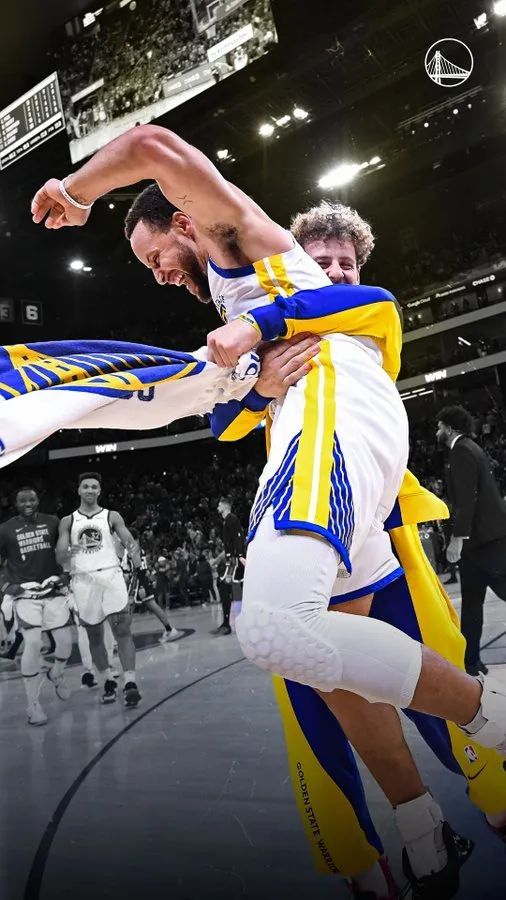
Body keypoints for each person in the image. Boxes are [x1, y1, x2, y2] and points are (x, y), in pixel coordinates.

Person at [31, 124, 506, 773]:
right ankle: (420, 820)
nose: (160, 276)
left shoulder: (234, 238)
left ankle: (489, 714)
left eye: (156, 257)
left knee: (272, 628)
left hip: (333, 411)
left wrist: (75, 191)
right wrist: (259, 390)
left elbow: (150, 146)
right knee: (328, 661)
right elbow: (223, 423)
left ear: (184, 222)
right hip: (322, 422)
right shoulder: (231, 296)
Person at [209, 202, 506, 896]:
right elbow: (222, 422)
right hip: (306, 524)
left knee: (432, 670)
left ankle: (491, 790)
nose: (338, 271)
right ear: (298, 267)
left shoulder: (367, 312)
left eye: (346, 262)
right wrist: (260, 387)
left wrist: (259, 335)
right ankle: (388, 848)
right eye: (324, 263)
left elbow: (342, 304)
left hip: (379, 526)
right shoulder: (271, 331)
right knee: (320, 696)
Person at [56, 472, 142, 708]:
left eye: (94, 487)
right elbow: (60, 556)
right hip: (83, 580)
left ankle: (130, 683)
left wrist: (135, 555)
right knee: (94, 636)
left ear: (100, 491)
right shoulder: (68, 521)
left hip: (111, 575)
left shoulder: (111, 516)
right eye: (86, 486)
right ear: (79, 490)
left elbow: (129, 540)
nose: (90, 490)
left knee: (122, 630)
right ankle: (108, 681)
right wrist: (69, 552)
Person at [438, 405, 506, 676]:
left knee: (490, 595)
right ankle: (471, 662)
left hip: (486, 542)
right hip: (479, 544)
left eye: (440, 426)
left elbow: (468, 499)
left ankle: (471, 661)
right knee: (471, 604)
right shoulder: (471, 448)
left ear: (449, 428)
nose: (437, 431)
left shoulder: (461, 452)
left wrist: (457, 538)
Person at [0, 487, 72, 726]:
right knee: (32, 642)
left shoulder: (53, 522)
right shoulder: (5, 529)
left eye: (31, 499)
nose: (27, 503)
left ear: (38, 500)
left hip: (52, 589)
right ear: (15, 503)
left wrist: (66, 574)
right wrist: (5, 586)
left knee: (65, 643)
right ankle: (33, 704)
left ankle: (57, 673)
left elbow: (64, 552)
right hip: (24, 592)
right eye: (22, 500)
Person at [121, 527, 183, 643]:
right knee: (154, 606)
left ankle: (123, 639)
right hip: (143, 581)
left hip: (137, 583)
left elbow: (138, 570)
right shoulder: (140, 549)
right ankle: (170, 629)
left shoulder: (132, 550)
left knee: (128, 609)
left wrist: (139, 586)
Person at [213, 496, 244, 635]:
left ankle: (226, 624)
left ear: (225, 506)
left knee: (224, 586)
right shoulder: (227, 521)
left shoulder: (232, 519)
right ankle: (226, 623)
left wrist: (240, 556)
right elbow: (229, 544)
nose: (217, 507)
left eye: (219, 504)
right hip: (232, 559)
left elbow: (238, 539)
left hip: (234, 560)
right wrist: (218, 559)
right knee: (227, 586)